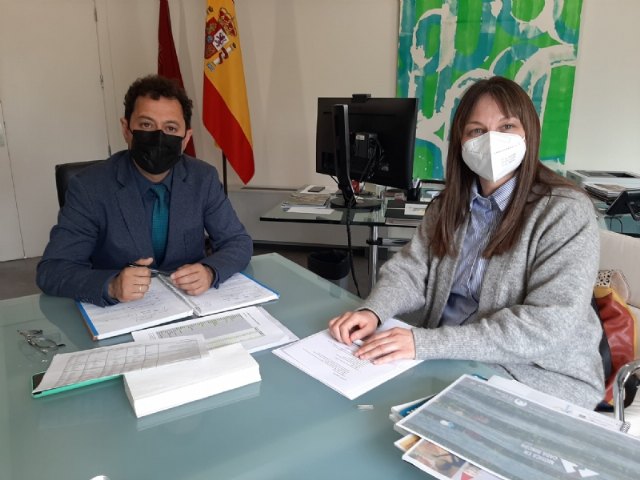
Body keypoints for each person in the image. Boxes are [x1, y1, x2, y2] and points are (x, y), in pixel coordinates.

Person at [328, 76, 604, 408]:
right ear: (461, 140)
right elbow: (411, 271)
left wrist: (425, 344)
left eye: (507, 127)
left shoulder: (565, 212)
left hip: (536, 373)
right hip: (449, 357)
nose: (491, 141)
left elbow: (546, 325)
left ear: (529, 134)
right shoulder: (448, 205)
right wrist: (374, 310)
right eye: (477, 131)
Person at [37, 74, 253, 307]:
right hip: (121, 310)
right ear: (126, 129)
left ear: (185, 138)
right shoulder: (89, 187)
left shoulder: (203, 178)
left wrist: (210, 271)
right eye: (146, 125)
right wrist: (111, 285)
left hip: (190, 304)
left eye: (171, 128)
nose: (159, 137)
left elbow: (237, 242)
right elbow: (53, 270)